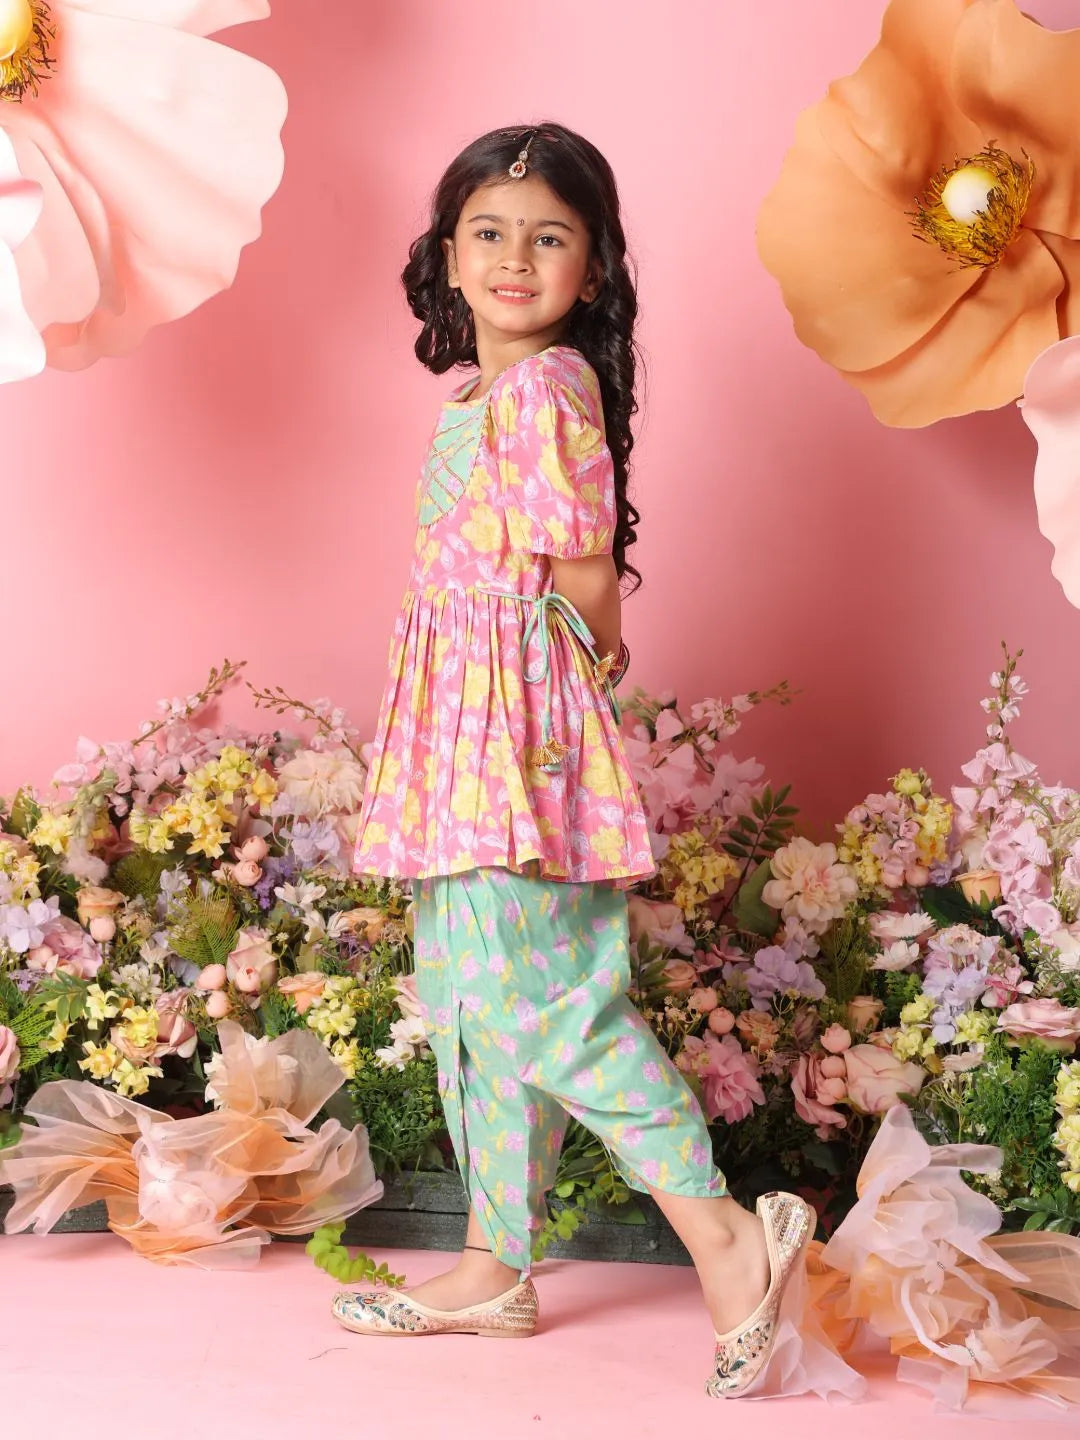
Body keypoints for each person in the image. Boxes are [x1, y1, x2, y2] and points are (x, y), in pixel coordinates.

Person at [331, 121, 813, 1397]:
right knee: (477, 1010)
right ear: (446, 255)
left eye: (549, 236)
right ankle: (496, 1262)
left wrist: (565, 719)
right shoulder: (482, 397)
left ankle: (724, 1238)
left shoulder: (548, 389)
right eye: (487, 231)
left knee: (546, 1003)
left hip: (510, 741)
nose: (513, 256)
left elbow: (586, 572)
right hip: (459, 735)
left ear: (591, 271)